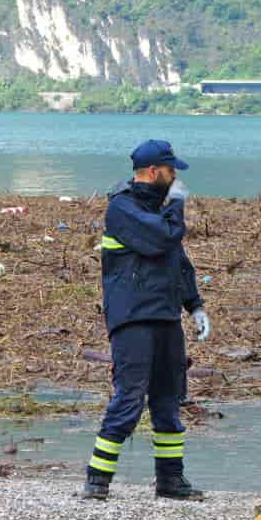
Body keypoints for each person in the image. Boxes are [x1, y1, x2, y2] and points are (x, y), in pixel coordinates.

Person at [81, 140, 211, 501]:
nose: (175, 179)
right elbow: (160, 239)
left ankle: (171, 481)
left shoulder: (159, 208)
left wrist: (195, 305)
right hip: (133, 317)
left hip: (166, 316)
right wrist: (178, 204)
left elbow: (177, 261)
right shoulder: (122, 210)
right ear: (154, 172)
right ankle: (97, 479)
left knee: (169, 400)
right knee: (130, 398)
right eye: (171, 172)